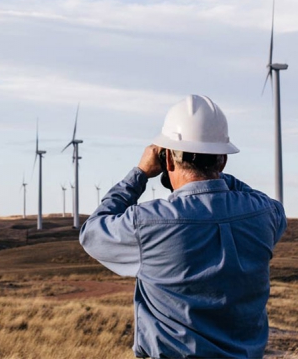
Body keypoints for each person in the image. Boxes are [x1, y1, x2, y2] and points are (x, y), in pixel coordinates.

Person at [79, 95, 287, 358]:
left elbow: (92, 232)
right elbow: (262, 201)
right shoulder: (265, 214)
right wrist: (216, 178)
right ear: (222, 160)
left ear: (167, 160)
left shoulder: (148, 223)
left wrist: (140, 173)